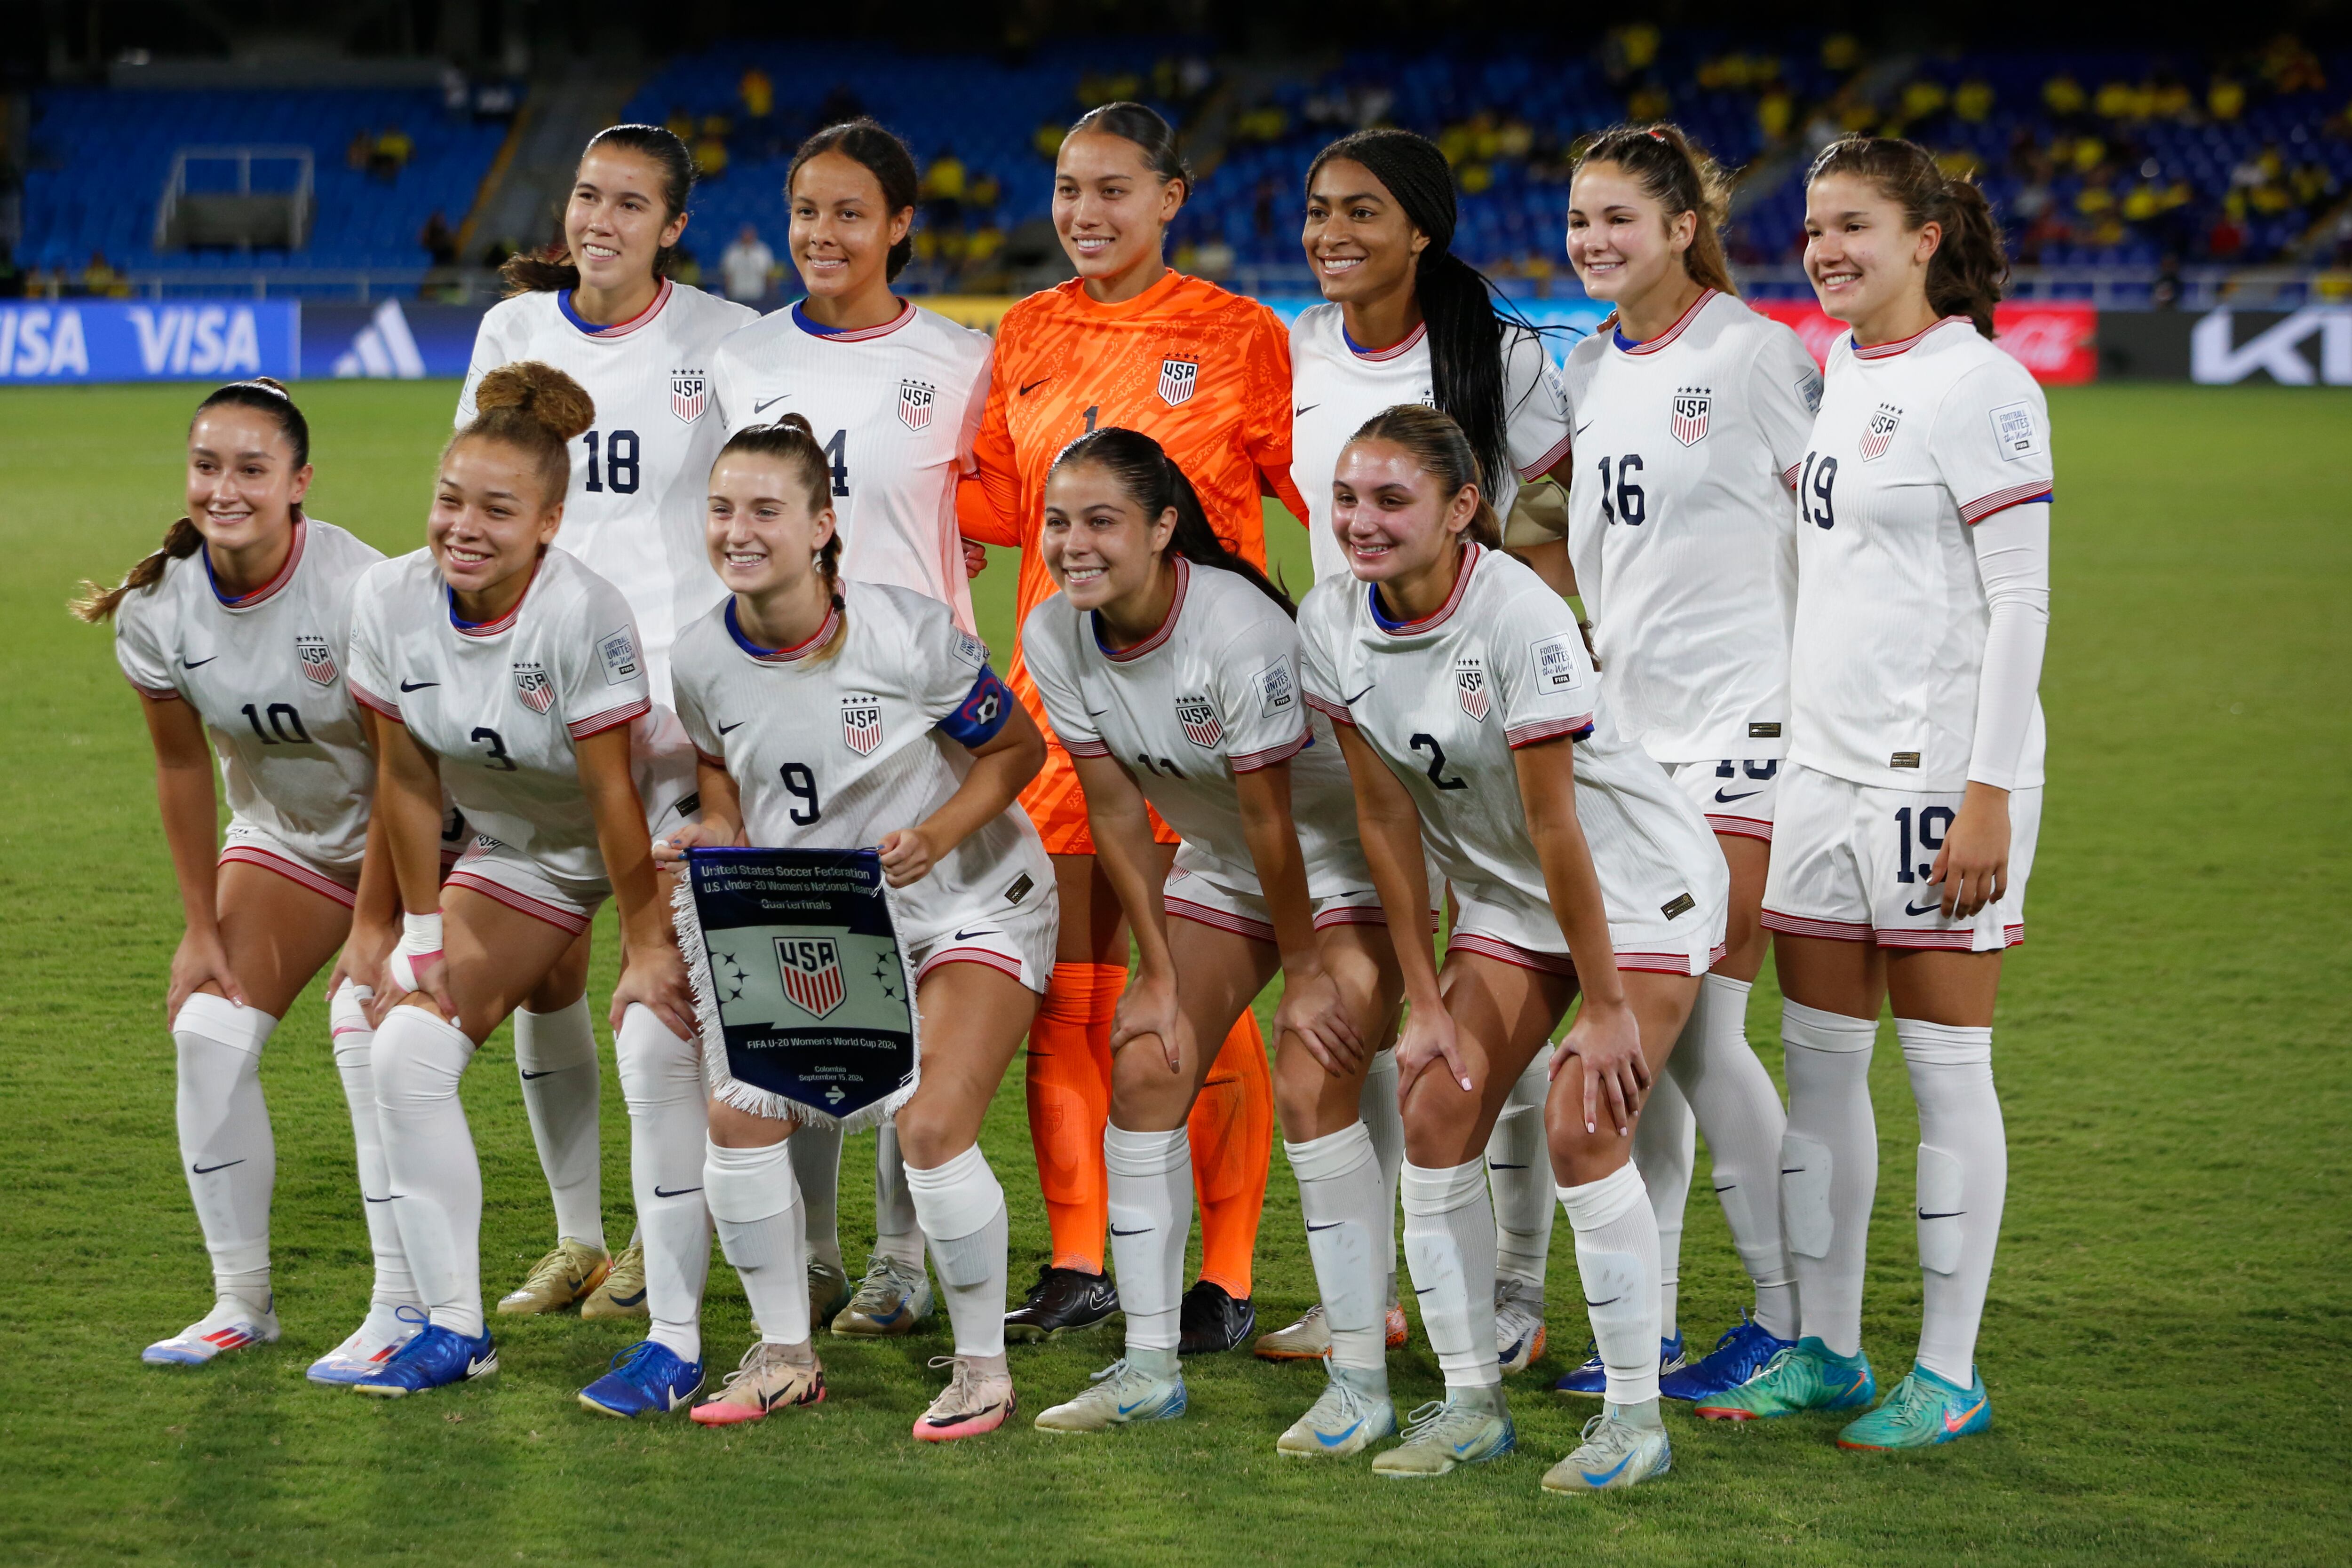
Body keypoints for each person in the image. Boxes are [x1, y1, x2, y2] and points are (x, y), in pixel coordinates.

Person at [1296, 404, 1724, 1489]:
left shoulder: (1518, 615)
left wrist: (1610, 1003)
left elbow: (1558, 825)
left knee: (1585, 1123)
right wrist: (1425, 996)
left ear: (1461, 509)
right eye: (1348, 498)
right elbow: (1386, 820)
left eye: (1393, 499)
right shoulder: (1331, 622)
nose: (1363, 521)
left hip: (1634, 888)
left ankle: (1634, 1420)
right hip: (1503, 894)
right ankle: (1470, 1404)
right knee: (1437, 1106)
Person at [1696, 136, 2049, 1451]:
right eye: (1813, 230)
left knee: (1947, 1069)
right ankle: (1833, 1351)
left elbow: (2022, 599)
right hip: (1821, 773)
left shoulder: (1984, 384)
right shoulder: (1842, 365)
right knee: (1823, 1070)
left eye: (1853, 226)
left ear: (1925, 237)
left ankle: (1947, 1370)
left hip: (1934, 780)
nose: (1827, 251)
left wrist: (1990, 789)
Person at [957, 101, 1308, 1351]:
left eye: (1114, 189)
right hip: (1060, 708)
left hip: (1201, 711)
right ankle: (1076, 1258)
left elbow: (1319, 490)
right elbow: (994, 505)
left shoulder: (1241, 335)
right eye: (1067, 189)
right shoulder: (1030, 331)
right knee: (1073, 985)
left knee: (1197, 988)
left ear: (1174, 196)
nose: (1085, 213)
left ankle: (1222, 1271)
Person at [634, 416, 1054, 1440]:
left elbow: (1017, 749)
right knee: (737, 1120)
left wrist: (935, 831)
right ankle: (785, 1355)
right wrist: (716, 828)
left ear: (824, 526)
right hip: (827, 925)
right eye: (723, 508)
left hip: (970, 902)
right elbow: (723, 764)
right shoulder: (700, 656)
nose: (739, 529)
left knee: (932, 1127)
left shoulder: (909, 635)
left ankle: (982, 1370)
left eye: (766, 510)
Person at [1019, 428, 1408, 1455]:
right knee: (1145, 1060)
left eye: (1101, 520)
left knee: (1312, 1076)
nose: (1072, 543)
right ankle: (1148, 1366)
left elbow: (1280, 821)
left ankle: (1360, 1378)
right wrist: (1154, 969)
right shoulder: (1056, 631)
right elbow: (1111, 810)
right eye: (1059, 521)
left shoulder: (1234, 628)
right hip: (1224, 861)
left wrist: (1315, 972)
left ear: (1162, 527)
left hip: (1348, 862)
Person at [1277, 125, 1576, 1372]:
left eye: (1360, 211)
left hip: (1485, 722)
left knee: (1489, 1013)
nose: (1332, 232)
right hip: (1354, 707)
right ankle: (1396, 1285)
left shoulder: (1502, 359)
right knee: (1403, 1003)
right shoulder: (1296, 347)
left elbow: (1558, 529)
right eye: (1316, 210)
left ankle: (1514, 1288)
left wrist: (1526, 678)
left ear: (1420, 229)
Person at [342, 362, 699, 1397]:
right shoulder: (389, 597)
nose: (464, 525)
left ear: (549, 521)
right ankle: (455, 1325)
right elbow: (405, 777)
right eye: (450, 498)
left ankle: (674, 1340)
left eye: (497, 509)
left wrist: (642, 947)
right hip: (522, 849)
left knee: (651, 1039)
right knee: (404, 1045)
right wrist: (413, 927)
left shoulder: (582, 610)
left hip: (648, 837)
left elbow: (615, 793)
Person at [458, 125, 755, 1318]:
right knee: (546, 981)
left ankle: (652, 1236)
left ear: (673, 227)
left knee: (670, 986)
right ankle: (578, 1236)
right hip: (537, 706)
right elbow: (481, 496)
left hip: (672, 719)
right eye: (588, 196)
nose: (602, 221)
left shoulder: (723, 341)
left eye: (632, 205)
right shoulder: (512, 334)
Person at [709, 118, 998, 1337]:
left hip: (918, 719)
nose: (822, 235)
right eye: (805, 212)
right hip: (783, 710)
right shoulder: (739, 358)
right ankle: (820, 1254)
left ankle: (899, 1256)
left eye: (848, 213)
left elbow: (977, 520)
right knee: (805, 976)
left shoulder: (960, 358)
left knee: (913, 978)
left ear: (899, 227)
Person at [1549, 123, 1819, 1404]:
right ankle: (1643, 1324)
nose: (1595, 242)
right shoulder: (1593, 365)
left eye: (1617, 219)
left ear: (1679, 224)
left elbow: (1832, 542)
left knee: (1705, 1028)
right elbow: (1571, 540)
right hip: (1633, 746)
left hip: (1745, 733)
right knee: (1644, 1040)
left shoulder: (1756, 355)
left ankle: (1786, 1318)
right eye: (1578, 221)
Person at [80, 380, 422, 1380]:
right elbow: (184, 768)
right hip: (285, 840)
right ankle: (242, 1302)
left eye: (251, 469)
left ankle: (401, 1304)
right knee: (207, 1027)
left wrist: (377, 928)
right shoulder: (155, 607)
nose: (224, 488)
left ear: (300, 483)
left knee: (366, 1024)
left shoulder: (360, 588)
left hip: (415, 845)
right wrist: (199, 925)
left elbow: (408, 771)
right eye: (207, 465)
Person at [719, 224, 775, 306]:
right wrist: (728, 293)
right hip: (737, 295)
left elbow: (768, 274)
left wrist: (771, 294)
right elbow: (728, 274)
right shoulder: (732, 252)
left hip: (757, 295)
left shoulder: (763, 251)